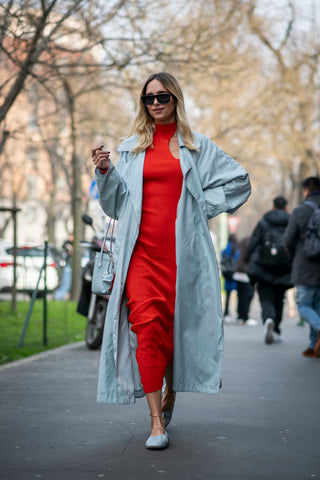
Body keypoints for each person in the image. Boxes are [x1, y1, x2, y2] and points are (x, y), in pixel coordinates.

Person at [91, 72, 251, 450]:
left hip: (183, 256)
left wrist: (200, 207)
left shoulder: (197, 147)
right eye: (149, 99)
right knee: (146, 328)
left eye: (162, 96)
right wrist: (104, 172)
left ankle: (171, 391)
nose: (156, 103)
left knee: (173, 332)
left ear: (175, 99)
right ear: (143, 104)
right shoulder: (130, 148)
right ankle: (156, 422)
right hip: (140, 255)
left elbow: (240, 181)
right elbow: (115, 204)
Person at [245, 196, 292, 344]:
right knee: (279, 299)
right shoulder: (290, 222)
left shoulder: (263, 223)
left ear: (272, 206)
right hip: (284, 269)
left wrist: (247, 258)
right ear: (286, 207)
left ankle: (268, 319)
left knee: (266, 299)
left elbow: (253, 242)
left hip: (264, 268)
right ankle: (276, 328)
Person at [284, 177, 320, 358]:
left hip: (306, 265)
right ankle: (314, 346)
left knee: (304, 304)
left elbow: (288, 240)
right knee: (317, 305)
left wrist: (294, 256)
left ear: (306, 190)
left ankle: (319, 330)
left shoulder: (301, 210)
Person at [233, 236, 256, 326]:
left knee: (240, 296)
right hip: (247, 274)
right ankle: (245, 317)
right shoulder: (250, 250)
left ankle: (240, 316)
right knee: (247, 297)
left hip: (238, 274)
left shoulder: (241, 247)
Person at [220, 234, 240, 323]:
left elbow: (222, 257)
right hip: (235, 274)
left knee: (228, 295)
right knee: (238, 295)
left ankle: (226, 313)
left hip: (227, 274)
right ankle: (238, 314)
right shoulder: (237, 250)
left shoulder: (225, 249)